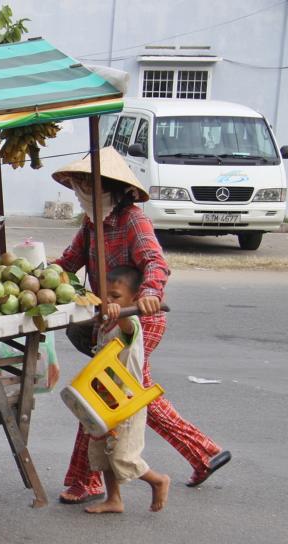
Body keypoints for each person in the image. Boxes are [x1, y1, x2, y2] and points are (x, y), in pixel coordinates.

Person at [52, 147, 230, 504]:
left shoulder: (132, 219)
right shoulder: (91, 224)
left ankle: (85, 480)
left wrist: (149, 293)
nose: (80, 191)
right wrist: (38, 275)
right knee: (130, 396)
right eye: (77, 185)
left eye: (86, 184)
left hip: (138, 318)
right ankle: (204, 453)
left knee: (103, 394)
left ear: (108, 188)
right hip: (111, 317)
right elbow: (68, 263)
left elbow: (155, 261)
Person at [85, 266, 170, 513]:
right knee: (103, 453)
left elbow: (126, 323)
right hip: (104, 399)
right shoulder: (104, 324)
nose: (109, 302)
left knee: (123, 456)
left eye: (116, 296)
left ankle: (158, 480)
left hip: (127, 402)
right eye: (105, 296)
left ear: (133, 299)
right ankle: (114, 499)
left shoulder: (129, 322)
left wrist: (118, 311)